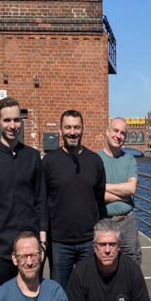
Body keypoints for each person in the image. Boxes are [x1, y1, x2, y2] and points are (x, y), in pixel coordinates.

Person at [0, 97, 48, 292]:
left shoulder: (32, 157)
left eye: (16, 120)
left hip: (31, 250)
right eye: (7, 120)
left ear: (21, 121)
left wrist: (43, 243)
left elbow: (41, 201)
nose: (12, 125)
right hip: (0, 251)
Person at [42, 109, 106, 290]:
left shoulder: (95, 161)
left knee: (89, 289)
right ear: (61, 130)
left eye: (76, 127)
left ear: (82, 129)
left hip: (88, 240)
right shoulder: (49, 161)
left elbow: (99, 198)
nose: (72, 132)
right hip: (59, 242)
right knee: (60, 292)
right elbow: (42, 199)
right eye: (68, 127)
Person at [97, 118, 142, 264]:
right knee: (105, 262)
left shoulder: (130, 160)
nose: (118, 135)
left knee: (132, 260)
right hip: (104, 221)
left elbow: (131, 188)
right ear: (107, 131)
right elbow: (96, 194)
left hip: (127, 221)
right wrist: (122, 197)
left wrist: (104, 186)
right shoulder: (95, 160)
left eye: (123, 133)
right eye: (115, 131)